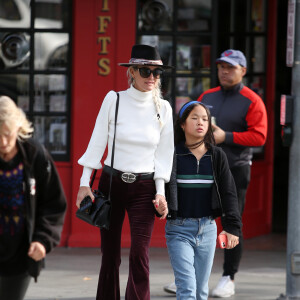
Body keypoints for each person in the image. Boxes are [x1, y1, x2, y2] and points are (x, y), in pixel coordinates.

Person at [76, 44, 174, 300]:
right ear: (131, 71)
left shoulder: (163, 108)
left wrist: (161, 194)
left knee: (140, 254)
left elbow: (163, 156)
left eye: (156, 72)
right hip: (112, 183)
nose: (151, 77)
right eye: (145, 71)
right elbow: (96, 143)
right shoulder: (114, 99)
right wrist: (84, 183)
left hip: (145, 187)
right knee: (110, 254)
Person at [199, 49, 268, 297]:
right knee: (197, 221)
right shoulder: (207, 95)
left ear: (243, 71)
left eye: (230, 67)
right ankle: (193, 276)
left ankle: (229, 277)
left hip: (235, 170)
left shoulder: (252, 100)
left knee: (231, 224)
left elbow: (260, 135)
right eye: (221, 67)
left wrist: (225, 136)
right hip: (205, 168)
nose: (225, 72)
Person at [165, 100, 242, 300]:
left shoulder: (217, 156)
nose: (201, 122)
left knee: (201, 291)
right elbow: (158, 186)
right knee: (187, 288)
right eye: (194, 118)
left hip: (208, 229)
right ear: (182, 124)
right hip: (178, 229)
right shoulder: (172, 155)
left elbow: (229, 193)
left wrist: (232, 227)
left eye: (205, 119)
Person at [0, 96, 66, 300]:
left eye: (7, 135)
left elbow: (53, 203)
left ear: (17, 129)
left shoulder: (35, 154)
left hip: (21, 254)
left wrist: (43, 240)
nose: (3, 143)